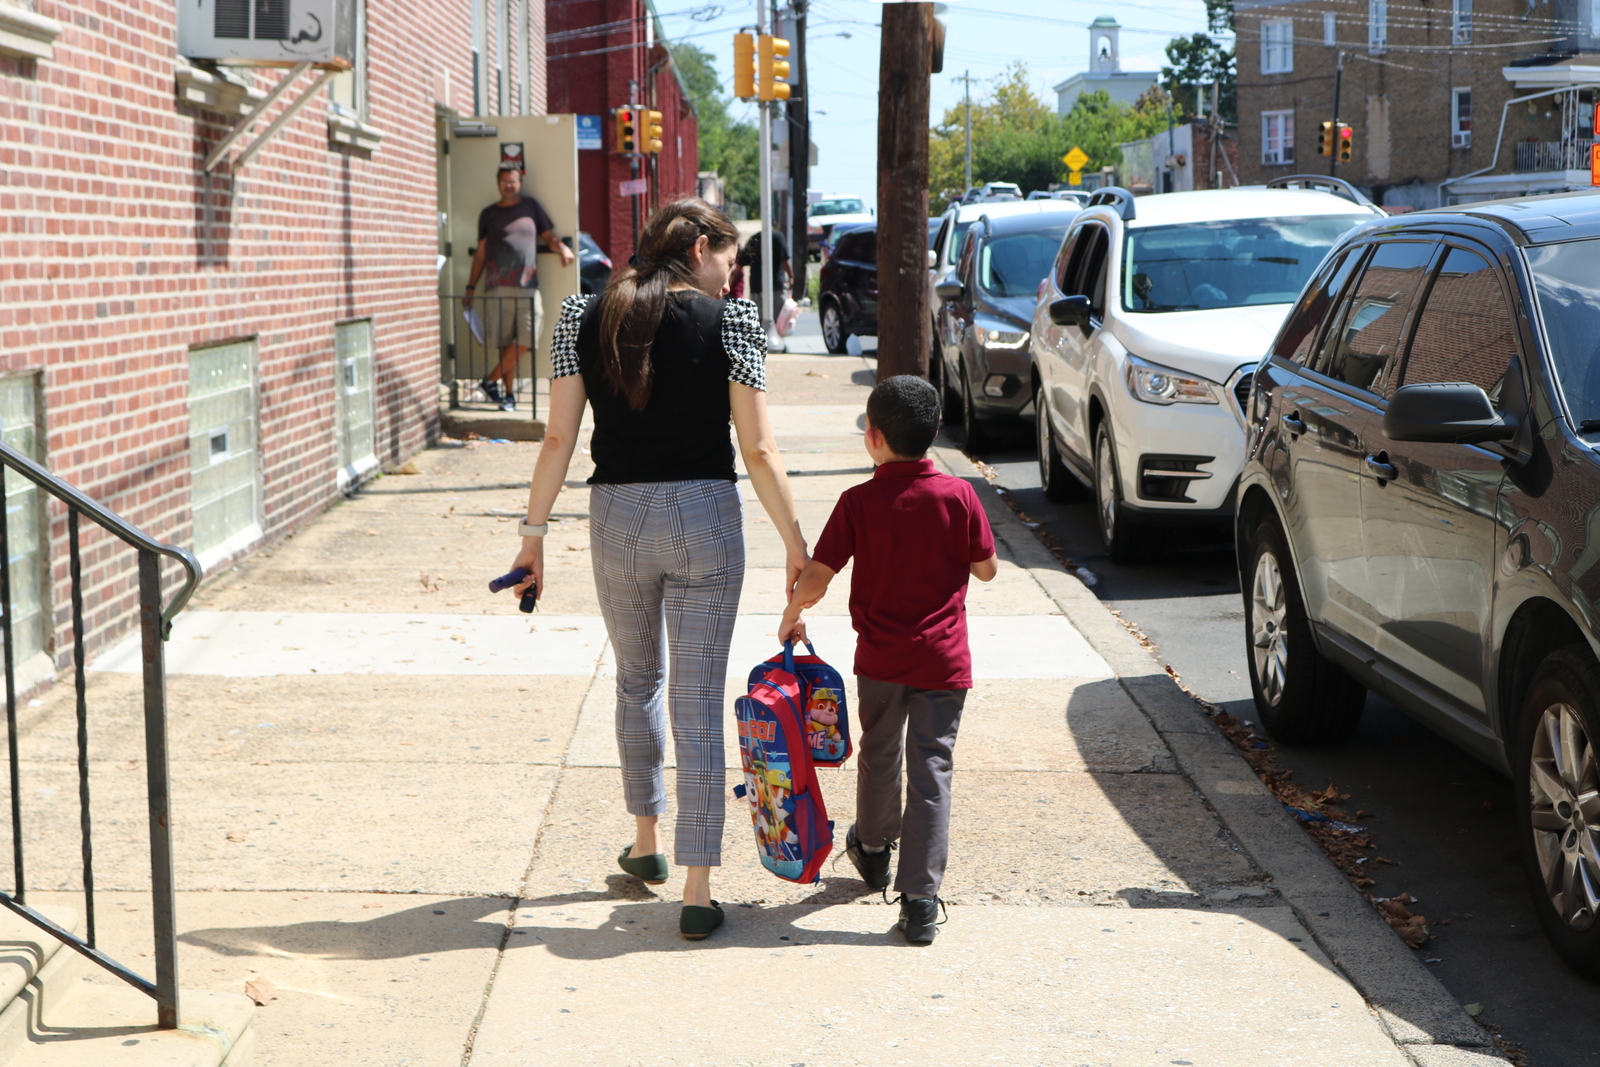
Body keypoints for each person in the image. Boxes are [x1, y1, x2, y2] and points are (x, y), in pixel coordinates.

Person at [509, 198, 808, 941]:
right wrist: (798, 546)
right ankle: (698, 885)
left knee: (636, 678)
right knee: (698, 697)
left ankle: (645, 842)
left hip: (615, 517)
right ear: (701, 247)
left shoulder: (582, 314)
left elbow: (556, 437)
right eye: (728, 264)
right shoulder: (733, 323)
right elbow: (761, 450)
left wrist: (532, 537)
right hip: (705, 515)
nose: (727, 281)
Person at [778, 375, 997, 944]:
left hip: (879, 660)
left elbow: (819, 577)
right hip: (944, 662)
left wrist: (792, 614)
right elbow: (986, 568)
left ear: (873, 437)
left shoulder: (858, 502)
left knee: (879, 754)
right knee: (933, 769)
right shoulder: (960, 495)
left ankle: (872, 848)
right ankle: (920, 900)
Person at [463, 163, 575, 411]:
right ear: (498, 183)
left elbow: (549, 238)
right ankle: (508, 396)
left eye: (513, 181)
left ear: (520, 182)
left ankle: (489, 382)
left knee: (526, 338)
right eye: (504, 181)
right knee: (505, 343)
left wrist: (563, 248)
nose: (509, 185)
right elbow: (480, 254)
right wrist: (470, 287)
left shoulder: (531, 207)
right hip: (496, 286)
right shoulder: (488, 213)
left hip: (527, 286)